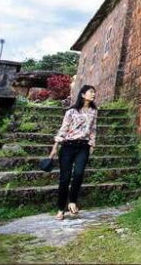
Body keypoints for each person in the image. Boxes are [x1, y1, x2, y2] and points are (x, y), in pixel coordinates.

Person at [49, 84, 98, 220]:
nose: (93, 94)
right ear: (83, 95)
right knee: (64, 178)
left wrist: (92, 145)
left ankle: (72, 202)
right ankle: (60, 209)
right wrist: (55, 148)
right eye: (90, 92)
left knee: (79, 173)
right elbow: (63, 129)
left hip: (83, 147)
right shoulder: (71, 111)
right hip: (67, 147)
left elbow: (93, 129)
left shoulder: (94, 111)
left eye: (94, 93)